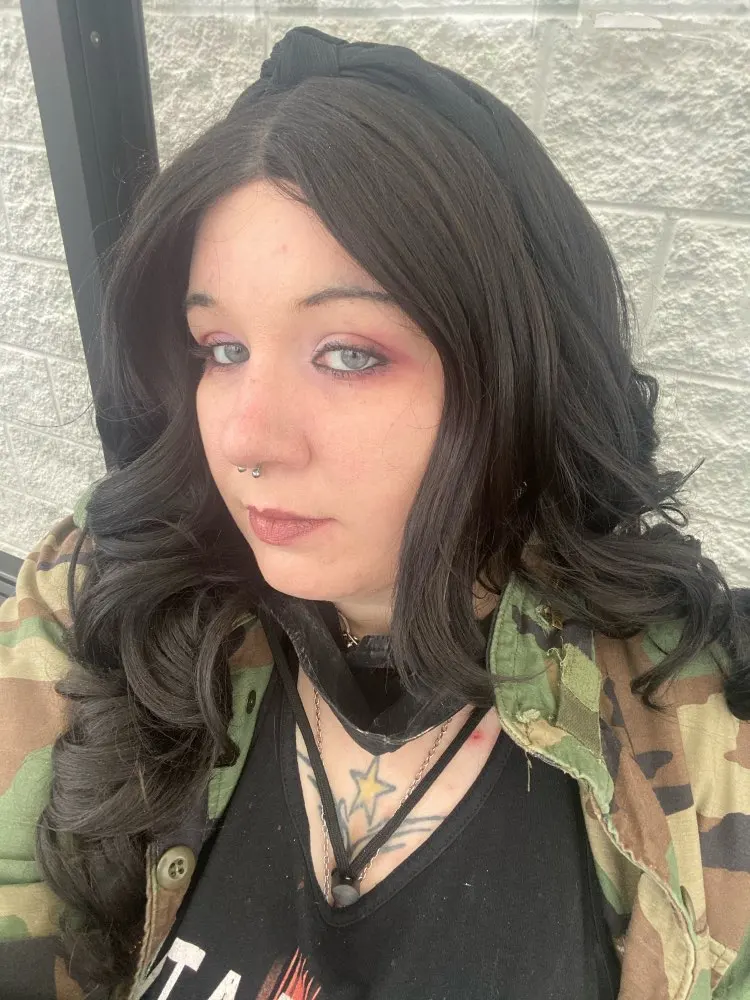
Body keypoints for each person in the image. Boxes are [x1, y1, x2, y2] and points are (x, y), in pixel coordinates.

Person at [0, 23, 748, 1000]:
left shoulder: (699, 736)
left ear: (519, 372)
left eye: (348, 354)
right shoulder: (97, 596)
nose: (248, 439)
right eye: (221, 349)